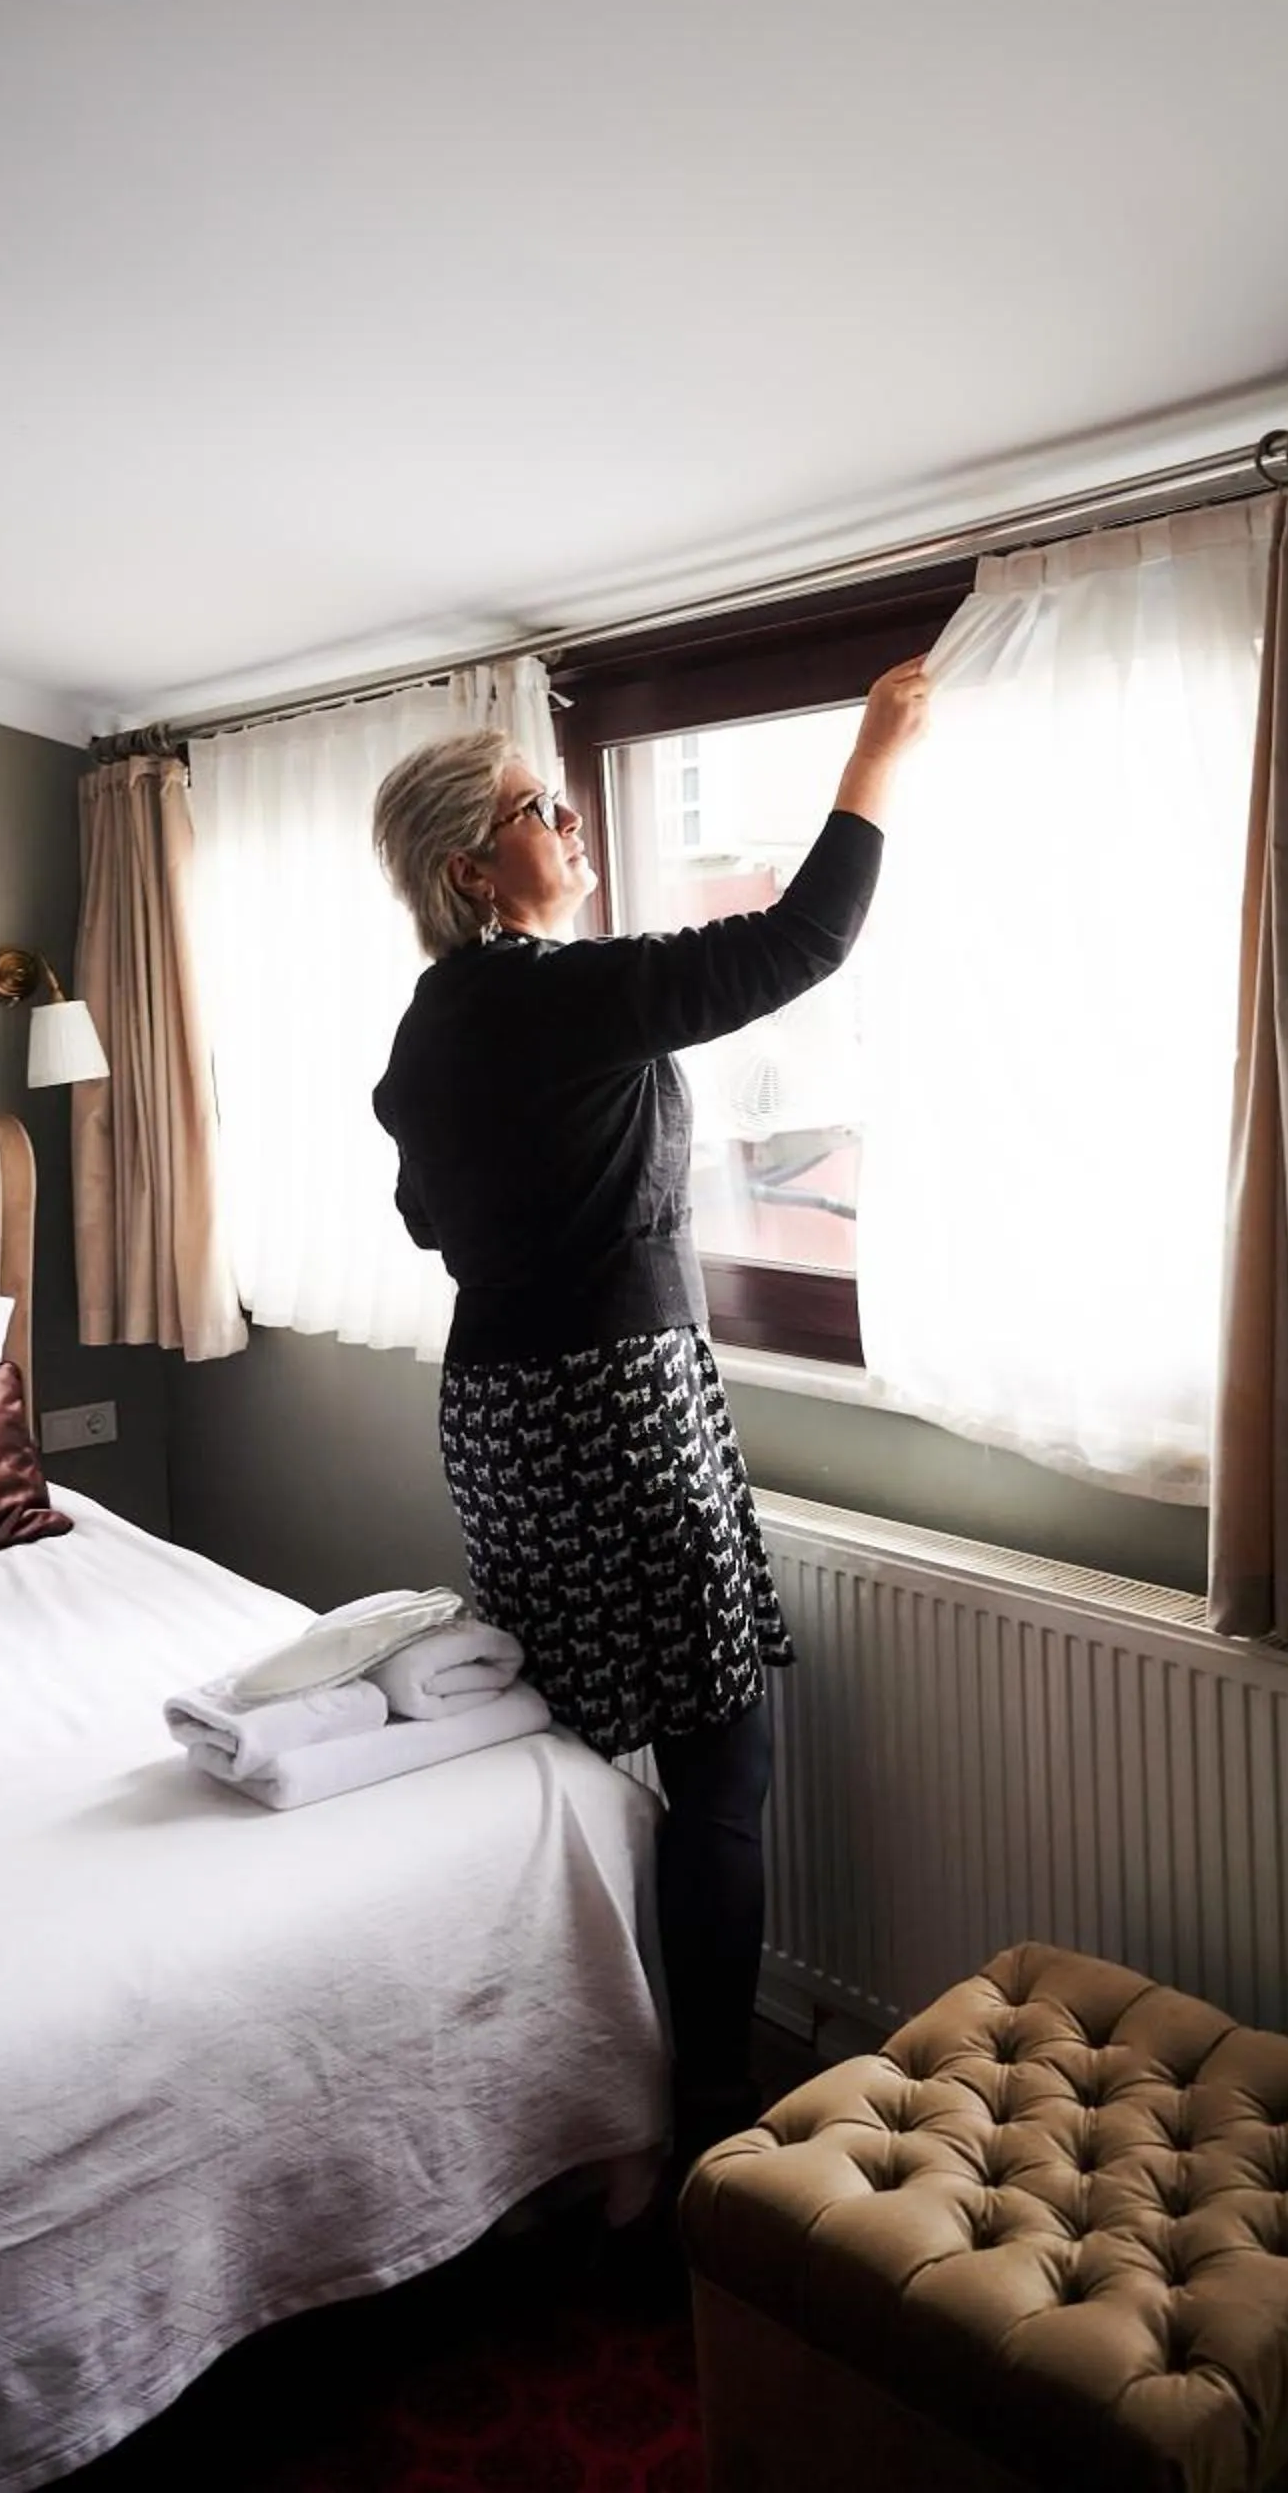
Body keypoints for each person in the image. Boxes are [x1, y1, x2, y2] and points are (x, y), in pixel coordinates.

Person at [369, 659, 929, 2172]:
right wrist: (873, 746)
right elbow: (799, 940)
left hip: (501, 1406)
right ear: (470, 870)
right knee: (721, 1766)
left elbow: (431, 1215)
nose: (575, 825)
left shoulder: (433, 1027)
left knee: (555, 1736)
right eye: (542, 810)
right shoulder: (554, 996)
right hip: (611, 1400)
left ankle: (563, 2081)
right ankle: (706, 2133)